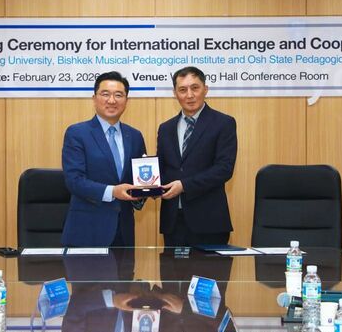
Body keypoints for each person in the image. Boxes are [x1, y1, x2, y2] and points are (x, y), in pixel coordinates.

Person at [61, 71, 146, 247]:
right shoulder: (77, 133)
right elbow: (74, 180)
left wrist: (145, 191)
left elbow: (138, 179)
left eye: (118, 95)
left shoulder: (135, 136)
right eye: (105, 94)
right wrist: (113, 191)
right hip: (88, 230)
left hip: (124, 232)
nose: (112, 100)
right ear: (94, 98)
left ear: (126, 100)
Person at [157, 67, 237, 246]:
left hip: (208, 221)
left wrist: (184, 185)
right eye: (182, 90)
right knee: (170, 266)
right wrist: (148, 186)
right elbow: (162, 169)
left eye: (195, 88)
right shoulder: (166, 128)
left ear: (205, 89)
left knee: (209, 266)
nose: (189, 95)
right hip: (173, 222)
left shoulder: (223, 123)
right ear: (175, 94)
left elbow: (224, 169)